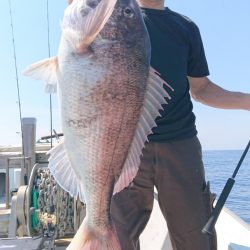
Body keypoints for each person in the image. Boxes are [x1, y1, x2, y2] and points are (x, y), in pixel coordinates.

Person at [110, 0, 250, 250]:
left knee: (196, 238)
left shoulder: (186, 27)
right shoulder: (113, 17)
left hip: (181, 144)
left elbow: (202, 89)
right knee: (117, 239)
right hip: (125, 144)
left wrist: (247, 102)